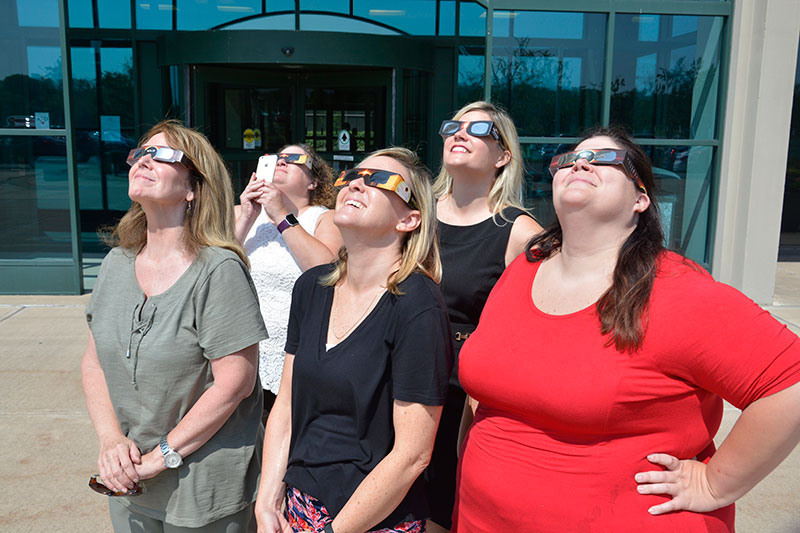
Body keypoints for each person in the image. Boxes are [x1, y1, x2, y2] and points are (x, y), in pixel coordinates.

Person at [453, 125, 800, 531]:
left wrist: (716, 483)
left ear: (640, 199)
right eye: (568, 159)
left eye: (604, 158)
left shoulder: (678, 290)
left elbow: (789, 384)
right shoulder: (523, 270)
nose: (579, 162)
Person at [81, 119, 268, 531]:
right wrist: (111, 441)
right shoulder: (115, 264)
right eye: (140, 152)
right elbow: (94, 363)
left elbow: (234, 383)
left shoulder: (218, 270)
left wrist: (161, 456)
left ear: (193, 187)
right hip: (128, 481)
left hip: (201, 490)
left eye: (162, 154)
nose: (144, 160)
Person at [255, 147, 454, 533]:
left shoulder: (418, 306)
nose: (357, 183)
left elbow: (413, 455)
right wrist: (266, 502)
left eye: (382, 180)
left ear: (410, 219)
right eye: (353, 176)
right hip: (298, 506)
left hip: (373, 518)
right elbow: (287, 404)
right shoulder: (311, 287)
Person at [425, 101, 542, 532]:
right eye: (453, 124)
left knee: (441, 507)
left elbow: (536, 329)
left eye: (479, 129)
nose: (460, 132)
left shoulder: (520, 232)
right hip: (393, 369)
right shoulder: (414, 215)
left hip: (460, 392)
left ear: (503, 156)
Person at [235, 144, 342, 414]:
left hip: (292, 352)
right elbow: (215, 267)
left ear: (313, 181)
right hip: (241, 347)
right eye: (277, 158)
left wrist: (281, 215)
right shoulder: (242, 213)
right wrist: (248, 215)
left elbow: (326, 271)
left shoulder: (324, 218)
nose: (282, 162)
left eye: (294, 159)